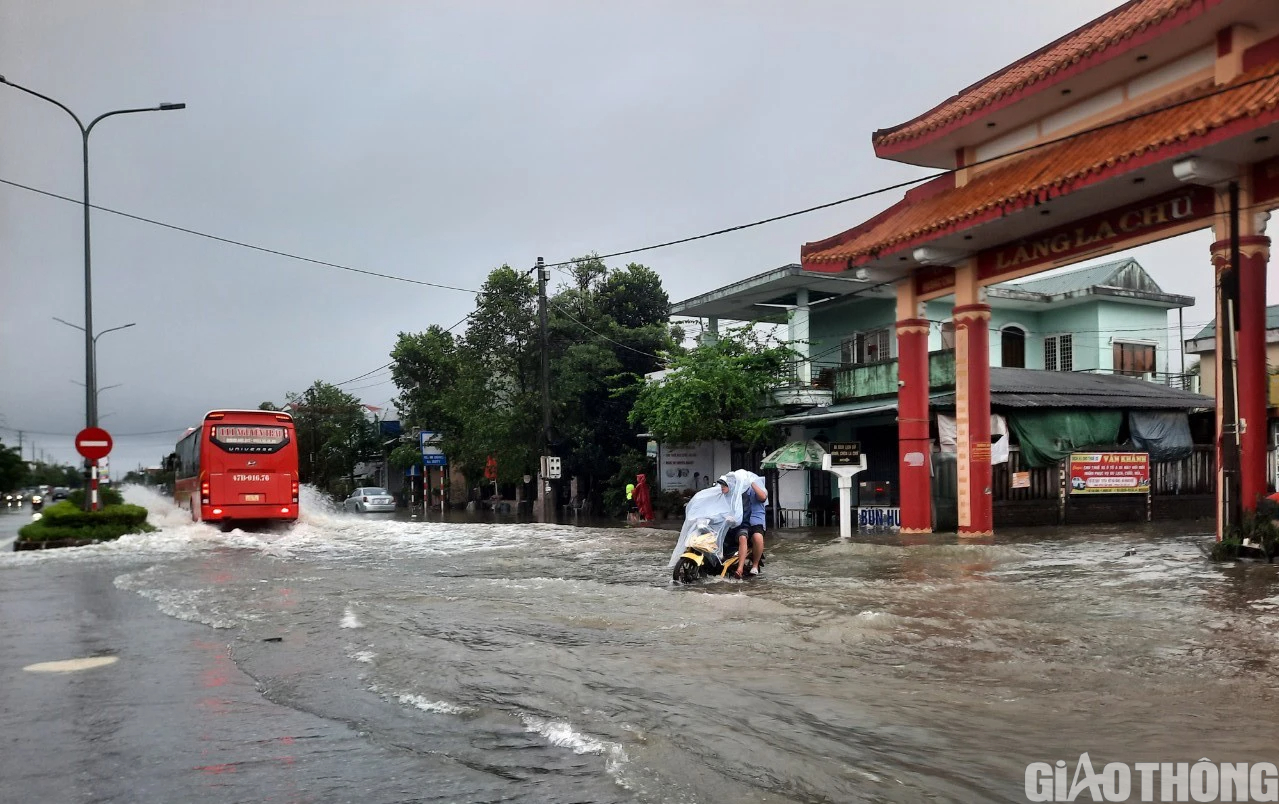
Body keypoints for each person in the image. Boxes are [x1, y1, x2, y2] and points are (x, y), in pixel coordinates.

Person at [726, 471, 767, 578]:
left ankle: (755, 565)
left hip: (754, 522)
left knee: (757, 537)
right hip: (738, 522)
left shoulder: (754, 489)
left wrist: (751, 483)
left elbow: (763, 497)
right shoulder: (736, 490)